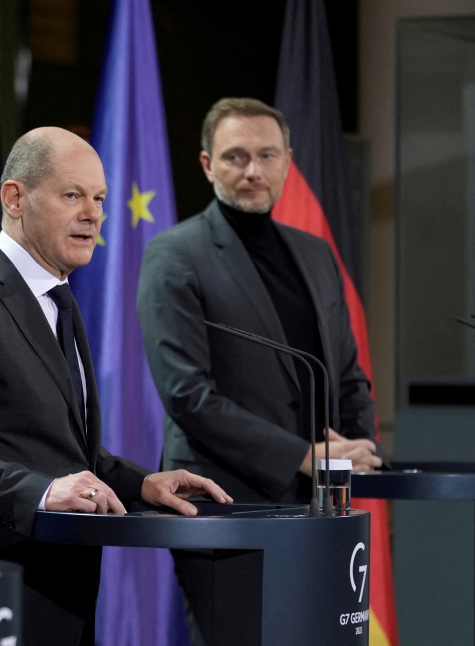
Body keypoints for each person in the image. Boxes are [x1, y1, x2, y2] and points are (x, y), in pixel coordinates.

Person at [0, 126, 232, 646]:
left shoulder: (59, 301)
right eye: (72, 195)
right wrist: (44, 493)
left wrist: (141, 485)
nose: (93, 214)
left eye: (99, 199)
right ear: (15, 197)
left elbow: (59, 449)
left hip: (60, 587)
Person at [136, 97, 382, 644]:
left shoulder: (315, 253)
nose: (253, 171)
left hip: (323, 508)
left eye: (267, 156)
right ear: (207, 164)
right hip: (226, 505)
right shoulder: (174, 255)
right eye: (236, 157)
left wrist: (360, 446)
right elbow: (187, 396)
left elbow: (344, 369)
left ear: (288, 161)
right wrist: (302, 456)